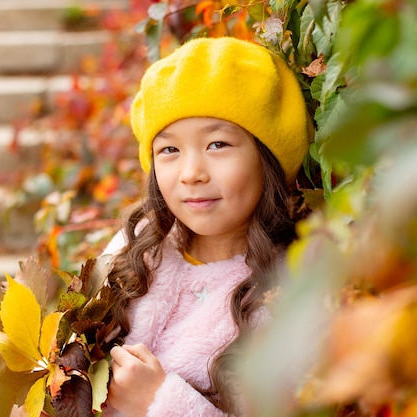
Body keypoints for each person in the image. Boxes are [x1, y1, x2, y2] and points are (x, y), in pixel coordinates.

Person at [101, 36, 310, 417]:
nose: (192, 173)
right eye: (169, 150)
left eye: (217, 144)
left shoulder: (290, 294)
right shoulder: (135, 251)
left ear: (267, 159)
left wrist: (159, 404)